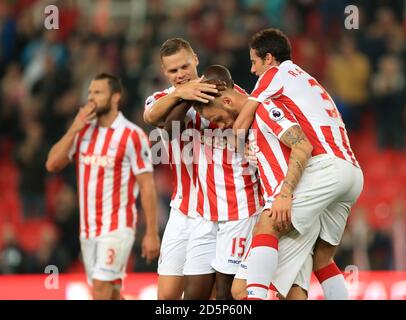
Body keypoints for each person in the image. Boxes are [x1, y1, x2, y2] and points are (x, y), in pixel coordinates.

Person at [232, 28, 364, 299]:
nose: (253, 70)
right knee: (323, 260)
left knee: (269, 222)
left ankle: (254, 298)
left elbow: (241, 121)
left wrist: (240, 144)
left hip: (325, 166)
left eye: (254, 62)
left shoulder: (275, 74)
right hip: (351, 170)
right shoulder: (306, 78)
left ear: (268, 58)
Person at [143, 38, 262, 300]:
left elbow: (249, 114)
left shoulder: (225, 94)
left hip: (224, 210)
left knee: (211, 294)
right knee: (167, 296)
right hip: (184, 208)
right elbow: (152, 118)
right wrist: (179, 94)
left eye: (184, 66)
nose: (180, 74)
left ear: (195, 59)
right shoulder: (163, 99)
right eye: (173, 71)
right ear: (165, 72)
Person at [46, 73, 160, 300]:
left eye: (97, 92)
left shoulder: (132, 135)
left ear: (115, 97)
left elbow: (147, 185)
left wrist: (151, 233)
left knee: (100, 289)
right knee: (111, 294)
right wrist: (75, 127)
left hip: (117, 227)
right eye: (89, 92)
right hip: (88, 230)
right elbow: (52, 164)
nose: (91, 98)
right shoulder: (83, 132)